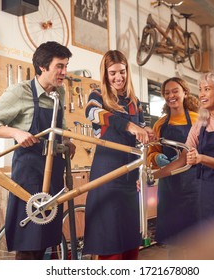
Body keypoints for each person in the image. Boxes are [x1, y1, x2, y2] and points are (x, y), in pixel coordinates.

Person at [0, 41, 76, 260]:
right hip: (29, 176)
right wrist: (15, 132)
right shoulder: (19, 92)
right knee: (30, 242)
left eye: (66, 66)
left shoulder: (59, 93)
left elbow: (61, 126)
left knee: (46, 239)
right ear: (43, 66)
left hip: (53, 175)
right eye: (60, 66)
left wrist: (67, 140)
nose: (64, 72)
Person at [152, 66, 214, 224]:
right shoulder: (201, 123)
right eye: (200, 89)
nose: (202, 95)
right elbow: (183, 159)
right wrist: (153, 176)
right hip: (205, 193)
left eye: (207, 89)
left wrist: (200, 158)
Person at [83, 50, 155, 260]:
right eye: (113, 73)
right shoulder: (98, 97)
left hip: (129, 180)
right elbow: (91, 113)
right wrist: (128, 125)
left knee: (130, 244)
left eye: (122, 72)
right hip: (107, 179)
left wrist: (146, 133)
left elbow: (141, 136)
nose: (118, 77)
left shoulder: (135, 102)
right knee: (111, 244)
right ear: (105, 74)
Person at [147, 77, 200, 249]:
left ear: (185, 92)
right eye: (167, 93)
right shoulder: (160, 124)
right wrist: (157, 159)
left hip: (194, 187)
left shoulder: (198, 120)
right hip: (169, 188)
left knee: (196, 240)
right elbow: (151, 153)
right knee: (173, 243)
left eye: (175, 91)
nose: (171, 95)